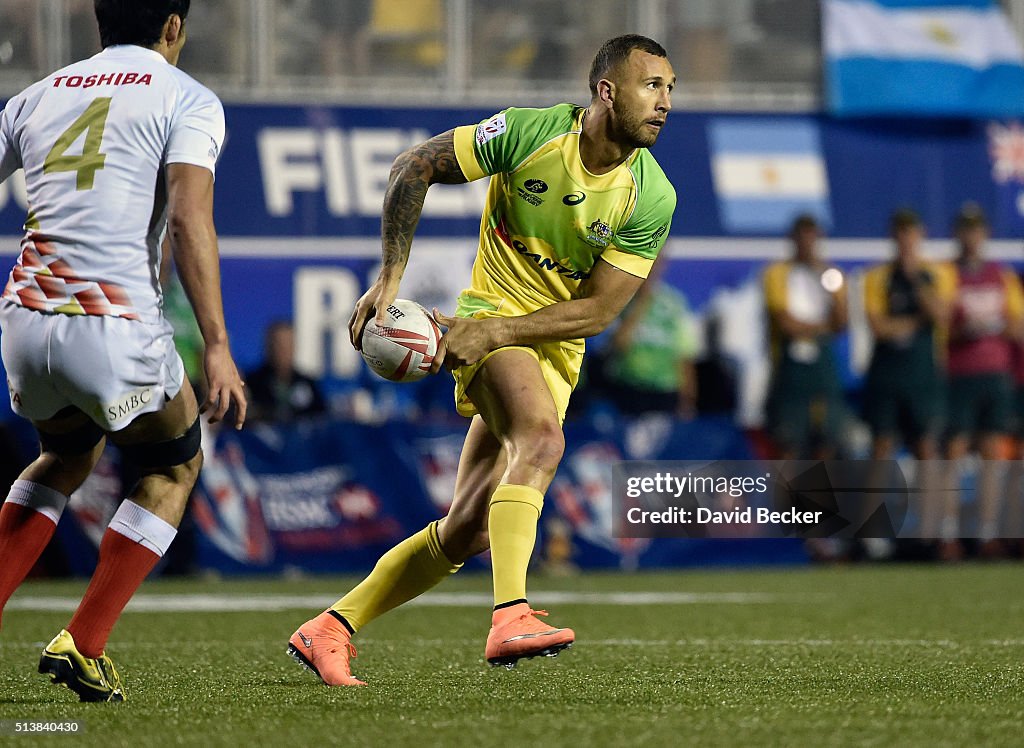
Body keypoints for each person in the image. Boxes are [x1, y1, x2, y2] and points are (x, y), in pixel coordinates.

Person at [288, 34, 676, 685]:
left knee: (467, 527)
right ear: (607, 91)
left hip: (547, 345)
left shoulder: (652, 195)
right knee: (541, 440)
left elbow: (598, 313)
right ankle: (511, 615)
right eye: (652, 85)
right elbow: (414, 166)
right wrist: (392, 275)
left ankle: (329, 627)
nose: (664, 102)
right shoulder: (530, 134)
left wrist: (504, 332)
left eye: (671, 89)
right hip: (484, 319)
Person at [0, 0, 246, 702]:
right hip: (110, 324)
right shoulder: (186, 97)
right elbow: (191, 217)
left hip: (25, 322)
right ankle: (84, 643)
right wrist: (219, 346)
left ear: (98, 26)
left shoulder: (37, 94)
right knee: (175, 464)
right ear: (174, 26)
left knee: (65, 455)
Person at [862, 209, 954, 545]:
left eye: (911, 232)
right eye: (900, 232)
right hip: (888, 374)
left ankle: (931, 531)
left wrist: (917, 281)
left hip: (922, 374)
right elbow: (879, 327)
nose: (905, 239)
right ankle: (872, 533)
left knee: (927, 448)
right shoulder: (878, 278)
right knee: (881, 447)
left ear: (921, 235)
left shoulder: (935, 274)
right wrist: (915, 322)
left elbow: (942, 315)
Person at [941, 204, 1023, 559]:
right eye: (965, 229)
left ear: (985, 234)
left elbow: (1018, 324)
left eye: (976, 230)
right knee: (953, 451)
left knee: (992, 452)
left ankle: (988, 531)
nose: (971, 237)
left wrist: (1000, 326)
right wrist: (963, 329)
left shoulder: (1000, 276)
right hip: (960, 372)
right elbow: (939, 323)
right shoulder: (947, 274)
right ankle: (946, 533)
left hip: (995, 372)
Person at [762, 214, 848, 459]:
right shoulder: (778, 273)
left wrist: (825, 279)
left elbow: (841, 321)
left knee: (827, 441)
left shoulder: (831, 274)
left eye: (812, 236)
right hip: (790, 370)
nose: (807, 243)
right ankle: (786, 497)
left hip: (823, 370)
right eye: (802, 236)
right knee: (788, 443)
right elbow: (786, 321)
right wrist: (822, 327)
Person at [596, 255, 699, 418]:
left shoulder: (675, 302)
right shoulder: (620, 299)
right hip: (627, 389)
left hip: (665, 391)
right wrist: (642, 301)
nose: (652, 268)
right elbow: (617, 344)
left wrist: (688, 398)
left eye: (657, 262)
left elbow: (684, 354)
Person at [245, 320, 327, 422]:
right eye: (279, 345)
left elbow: (323, 417)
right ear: (268, 347)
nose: (283, 351)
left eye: (288, 345)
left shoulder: (308, 384)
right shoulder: (252, 383)